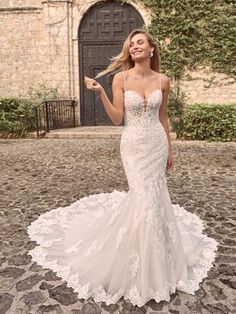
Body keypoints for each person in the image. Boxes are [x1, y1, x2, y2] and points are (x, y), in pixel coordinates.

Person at [27, 29, 218, 307]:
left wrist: (170, 149)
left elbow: (163, 117)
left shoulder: (163, 80)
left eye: (140, 42)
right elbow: (117, 119)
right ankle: (137, 264)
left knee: (154, 199)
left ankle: (158, 263)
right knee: (143, 197)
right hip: (132, 147)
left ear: (152, 49)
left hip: (156, 144)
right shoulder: (121, 78)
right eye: (131, 44)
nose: (135, 46)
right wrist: (101, 92)